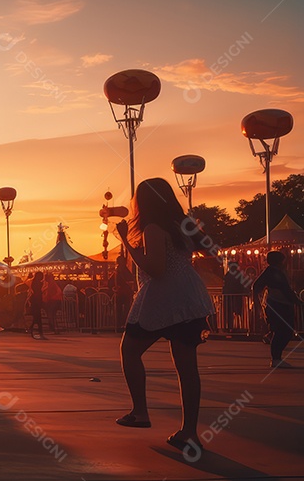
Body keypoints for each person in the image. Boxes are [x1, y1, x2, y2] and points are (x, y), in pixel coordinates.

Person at [114, 178, 215, 455]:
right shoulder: (181, 225)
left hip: (162, 299)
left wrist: (126, 241)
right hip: (189, 297)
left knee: (130, 350)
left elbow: (155, 268)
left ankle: (140, 411)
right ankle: (189, 432)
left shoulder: (153, 229)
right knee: (187, 367)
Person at [252, 251, 302, 369]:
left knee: (282, 331)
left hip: (278, 304)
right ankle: (276, 358)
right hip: (279, 305)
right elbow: (285, 290)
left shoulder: (274, 272)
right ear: (279, 261)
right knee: (283, 332)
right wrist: (297, 301)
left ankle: (276, 356)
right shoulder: (274, 273)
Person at [222, 261, 247, 332]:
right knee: (237, 310)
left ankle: (231, 326)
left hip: (230, 296)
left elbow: (226, 286)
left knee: (231, 311)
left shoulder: (228, 275)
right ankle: (237, 326)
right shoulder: (237, 274)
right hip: (235, 295)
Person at [112, 255, 135, 332]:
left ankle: (120, 324)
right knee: (125, 309)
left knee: (121, 309)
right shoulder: (122, 270)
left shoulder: (117, 271)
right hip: (125, 292)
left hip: (121, 293)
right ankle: (123, 324)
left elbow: (110, 282)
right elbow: (131, 278)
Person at [27, 272, 47, 340]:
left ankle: (31, 329)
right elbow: (39, 292)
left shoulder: (33, 282)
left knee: (36, 318)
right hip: (37, 301)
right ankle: (40, 333)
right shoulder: (39, 283)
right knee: (38, 318)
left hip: (34, 301)